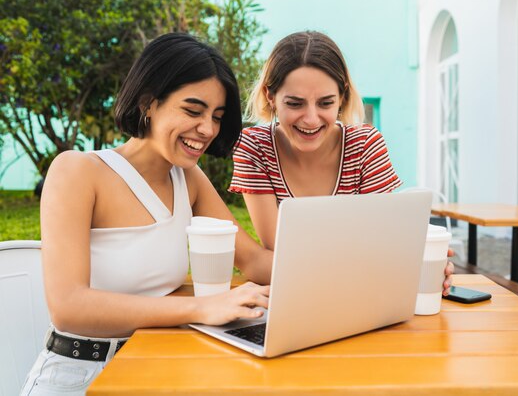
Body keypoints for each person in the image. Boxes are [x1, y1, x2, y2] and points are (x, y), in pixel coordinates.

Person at [21, 33, 272, 395]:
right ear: (148, 103)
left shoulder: (188, 178)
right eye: (193, 110)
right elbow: (69, 306)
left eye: (216, 116)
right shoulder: (77, 171)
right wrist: (201, 309)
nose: (208, 129)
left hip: (154, 368)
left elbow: (252, 261)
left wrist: (338, 278)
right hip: (79, 375)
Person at [228, 31, 453, 288]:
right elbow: (278, 252)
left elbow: (383, 242)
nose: (311, 119)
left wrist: (416, 264)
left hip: (352, 294)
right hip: (301, 296)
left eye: (325, 103)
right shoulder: (255, 147)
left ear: (342, 97)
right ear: (271, 96)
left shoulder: (365, 146)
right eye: (294, 103)